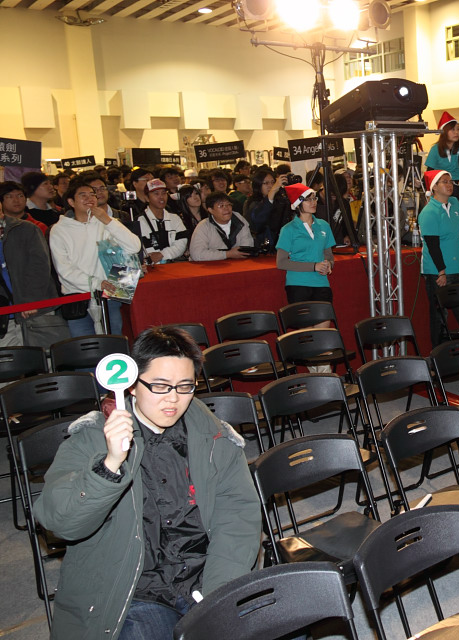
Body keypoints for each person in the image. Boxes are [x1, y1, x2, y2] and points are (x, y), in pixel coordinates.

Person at [35, 326, 261, 639]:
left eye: (185, 386)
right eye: (160, 386)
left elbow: (237, 519)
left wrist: (217, 595)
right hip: (136, 590)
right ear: (131, 385)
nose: (173, 399)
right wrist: (109, 465)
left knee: (286, 620)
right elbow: (60, 524)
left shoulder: (215, 438)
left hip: (207, 576)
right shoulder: (92, 439)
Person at [48, 182, 142, 336]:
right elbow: (64, 268)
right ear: (71, 202)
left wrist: (108, 221)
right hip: (78, 296)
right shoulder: (59, 229)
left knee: (113, 340)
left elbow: (134, 246)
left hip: (110, 293)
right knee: (85, 343)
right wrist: (96, 283)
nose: (89, 198)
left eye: (92, 195)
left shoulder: (108, 222)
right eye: (83, 195)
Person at [419, 169, 459, 347]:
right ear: (434, 187)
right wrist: (441, 271)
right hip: (437, 272)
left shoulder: (454, 203)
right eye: (444, 182)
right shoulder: (429, 212)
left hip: (456, 269)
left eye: (450, 182)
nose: (449, 185)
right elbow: (432, 245)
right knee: (440, 315)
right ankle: (438, 353)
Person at [0, 199, 71, 349]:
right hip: (5, 319)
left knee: (45, 356)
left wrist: (32, 300)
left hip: (36, 310)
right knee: (11, 360)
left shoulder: (25, 229)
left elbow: (40, 266)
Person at [276, 183, 336, 308]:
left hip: (321, 283)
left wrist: (329, 264)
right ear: (298, 204)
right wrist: (314, 266)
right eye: (308, 200)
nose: (313, 202)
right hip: (298, 284)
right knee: (305, 321)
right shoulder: (288, 229)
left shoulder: (324, 225)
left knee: (324, 320)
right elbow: (281, 262)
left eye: (314, 198)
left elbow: (328, 254)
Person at [189, 192, 255, 262]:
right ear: (211, 210)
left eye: (228, 204)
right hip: (210, 266)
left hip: (237, 264)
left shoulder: (239, 219)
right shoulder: (204, 226)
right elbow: (197, 254)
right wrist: (227, 254)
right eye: (221, 206)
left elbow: (247, 246)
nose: (226, 208)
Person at [135, 179, 188, 264]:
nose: (161, 197)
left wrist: (162, 254)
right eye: (156, 194)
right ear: (147, 198)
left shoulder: (175, 218)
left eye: (164, 193)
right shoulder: (139, 221)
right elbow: (144, 249)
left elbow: (182, 243)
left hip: (175, 265)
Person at [243, 169, 290, 250]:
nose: (271, 186)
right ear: (258, 185)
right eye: (266, 183)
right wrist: (273, 191)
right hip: (264, 246)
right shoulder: (253, 203)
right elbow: (258, 220)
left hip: (282, 245)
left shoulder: (280, 200)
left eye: (273, 182)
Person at [425, 111, 459, 189]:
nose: (456, 132)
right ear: (445, 131)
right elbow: (430, 170)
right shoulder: (435, 148)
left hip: (458, 180)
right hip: (443, 182)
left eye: (458, 129)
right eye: (453, 130)